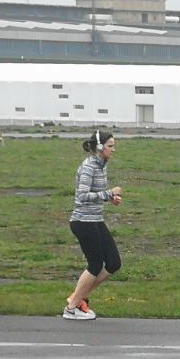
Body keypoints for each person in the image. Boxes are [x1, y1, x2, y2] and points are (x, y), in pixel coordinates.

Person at [63, 129, 123, 320]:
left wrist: (110, 199)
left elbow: (95, 193)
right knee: (95, 264)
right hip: (83, 222)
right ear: (99, 147)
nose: (113, 150)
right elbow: (82, 196)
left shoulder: (101, 165)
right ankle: (72, 308)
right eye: (110, 146)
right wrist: (108, 193)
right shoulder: (89, 167)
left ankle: (78, 297)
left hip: (95, 220)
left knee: (113, 262)